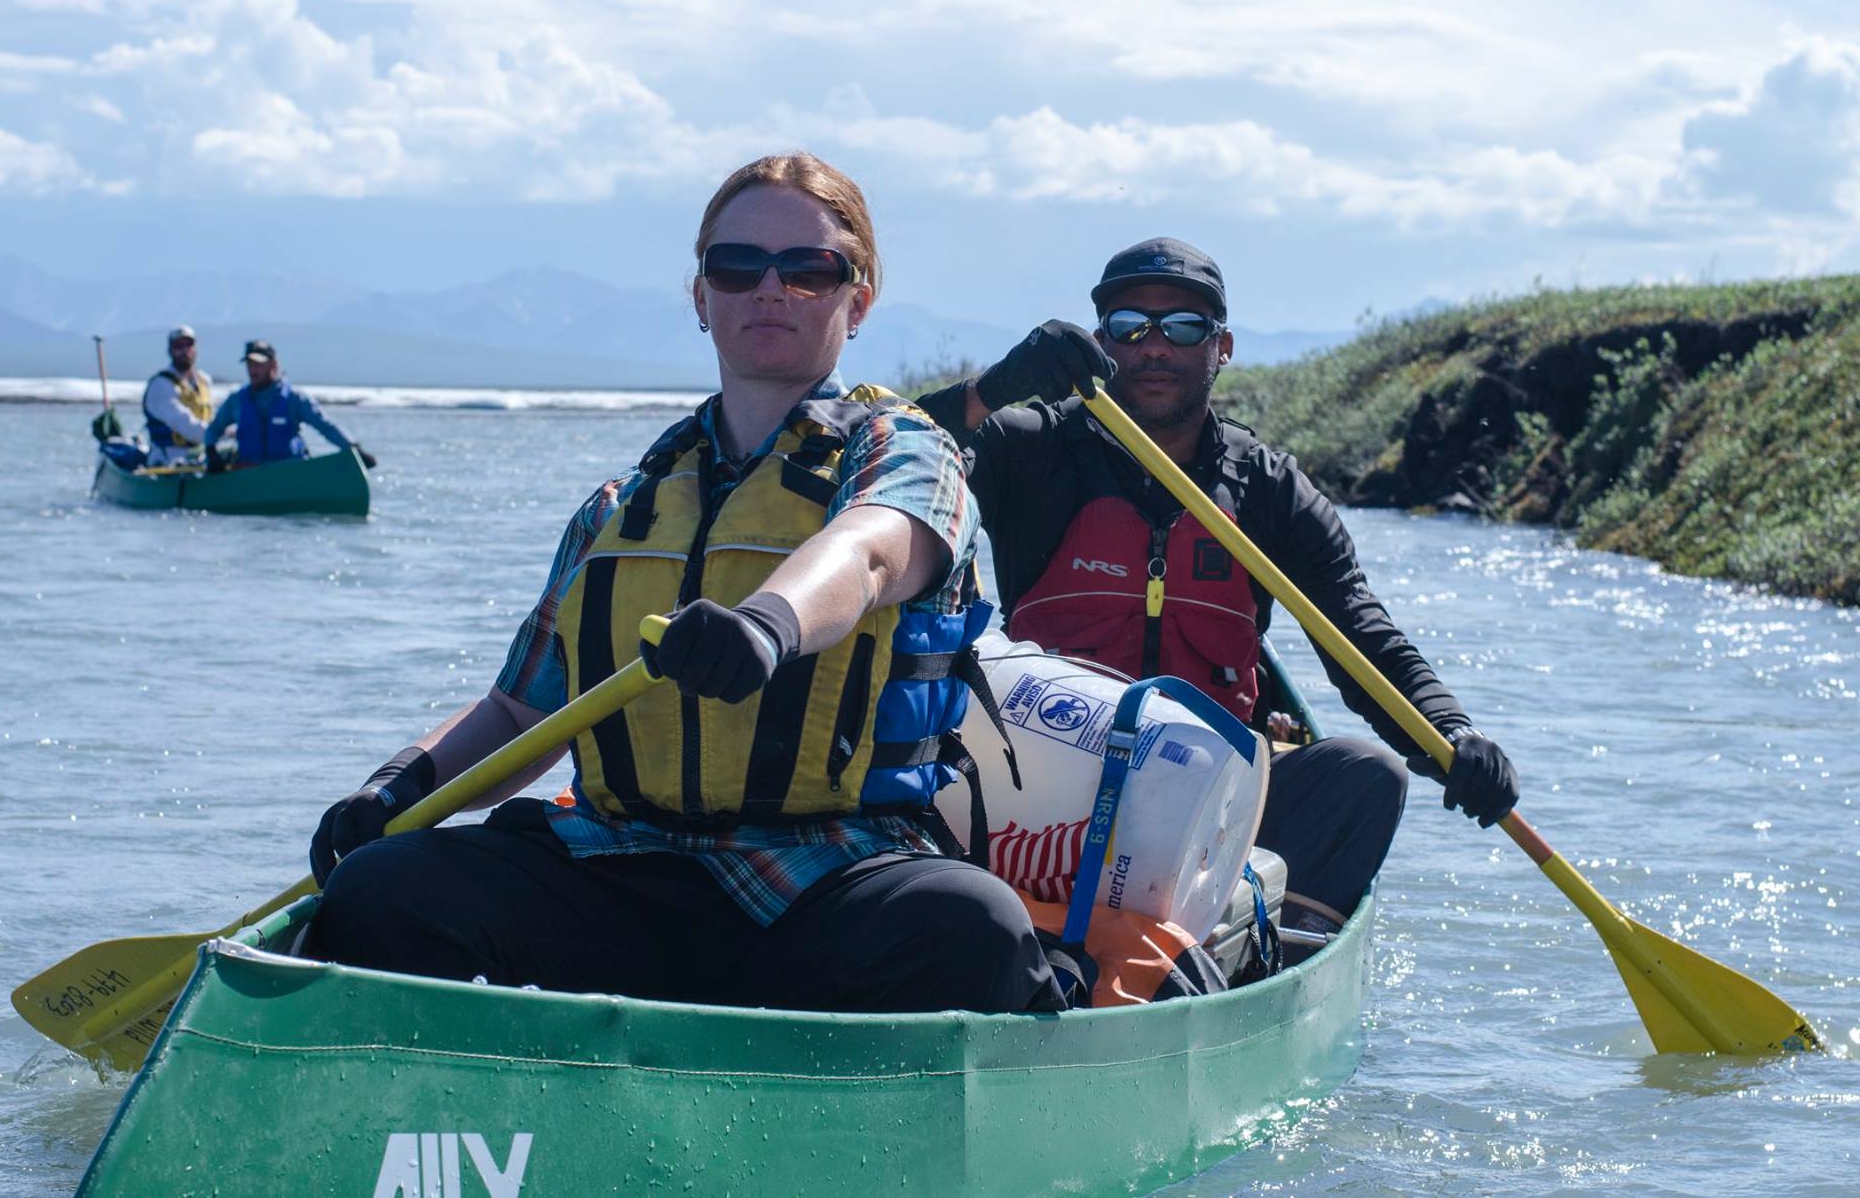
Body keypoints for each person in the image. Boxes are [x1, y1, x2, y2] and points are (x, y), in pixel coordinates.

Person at [303, 153, 1061, 1015]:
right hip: (622, 868)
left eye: (809, 269)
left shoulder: (905, 450)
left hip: (826, 879)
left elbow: (870, 552)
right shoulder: (621, 505)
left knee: (973, 924)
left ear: (858, 300)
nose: (769, 289)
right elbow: (519, 713)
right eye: (737, 266)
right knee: (382, 888)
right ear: (701, 298)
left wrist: (767, 624)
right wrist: (398, 785)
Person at [914, 237, 1520, 950]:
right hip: (1048, 786)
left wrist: (1451, 731)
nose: (1153, 346)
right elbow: (882, 465)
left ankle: (1266, 955)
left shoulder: (1269, 487)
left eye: (1183, 327)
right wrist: (989, 391)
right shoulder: (1026, 447)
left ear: (1221, 346)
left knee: (1369, 773)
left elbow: (1359, 630)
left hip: (1215, 802)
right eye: (1129, 326)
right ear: (1101, 342)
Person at [201, 339, 374, 469]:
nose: (253, 369)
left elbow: (325, 426)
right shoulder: (236, 400)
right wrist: (211, 451)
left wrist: (354, 449)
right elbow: (214, 429)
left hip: (288, 473)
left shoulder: (294, 398)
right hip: (249, 473)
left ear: (273, 365)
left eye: (258, 364)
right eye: (250, 364)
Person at [141, 325, 214, 467]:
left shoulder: (204, 381)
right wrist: (219, 434)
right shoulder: (160, 385)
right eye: (179, 346)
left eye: (189, 345)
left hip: (203, 455)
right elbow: (189, 428)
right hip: (168, 459)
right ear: (170, 350)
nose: (185, 350)